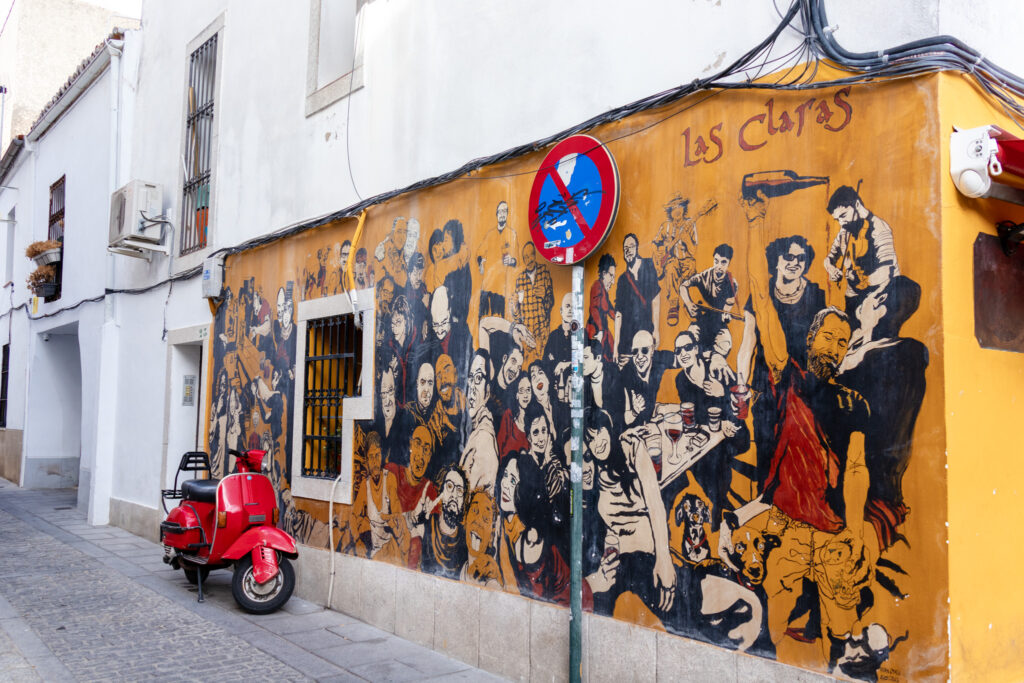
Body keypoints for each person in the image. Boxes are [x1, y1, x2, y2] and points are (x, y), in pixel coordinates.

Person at [736, 235, 826, 487]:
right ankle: (765, 505)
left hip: (803, 389)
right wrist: (741, 387)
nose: (795, 262)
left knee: (799, 455)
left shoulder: (816, 295)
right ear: (775, 260)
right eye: (789, 256)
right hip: (766, 387)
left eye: (801, 258)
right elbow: (746, 348)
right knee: (766, 447)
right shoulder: (759, 296)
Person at [586, 409, 676, 620]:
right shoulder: (592, 470)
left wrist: (664, 559)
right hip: (618, 565)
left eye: (600, 432)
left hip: (647, 556)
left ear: (609, 429)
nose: (598, 442)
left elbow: (655, 504)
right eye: (590, 439)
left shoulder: (632, 448)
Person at [823, 186, 900, 320]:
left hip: (880, 295)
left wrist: (862, 280)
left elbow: (886, 271)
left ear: (857, 204)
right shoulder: (845, 231)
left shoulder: (879, 229)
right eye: (837, 220)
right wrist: (831, 269)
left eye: (843, 216)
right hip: (853, 296)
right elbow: (829, 258)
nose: (841, 223)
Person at [347, 432, 410, 564]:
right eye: (371, 457)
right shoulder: (365, 485)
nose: (375, 461)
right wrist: (358, 540)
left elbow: (397, 513)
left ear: (382, 456)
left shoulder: (389, 479)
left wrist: (390, 519)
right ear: (367, 461)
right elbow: (353, 515)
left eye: (377, 455)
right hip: (373, 549)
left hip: (389, 547)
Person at [385, 425, 438, 570]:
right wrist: (412, 517)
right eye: (418, 444)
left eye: (426, 449)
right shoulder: (392, 473)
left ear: (429, 457)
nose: (421, 454)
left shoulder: (430, 491)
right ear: (410, 445)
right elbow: (381, 518)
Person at [680, 243, 738, 353]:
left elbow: (727, 306)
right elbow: (683, 286)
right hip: (699, 321)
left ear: (729, 263)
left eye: (723, 262)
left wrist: (725, 315)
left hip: (717, 325)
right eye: (716, 261)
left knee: (725, 344)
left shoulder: (732, 284)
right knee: (688, 344)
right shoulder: (704, 276)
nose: (718, 266)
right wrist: (688, 303)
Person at [417, 465, 469, 579]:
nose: (454, 495)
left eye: (459, 490)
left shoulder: (466, 539)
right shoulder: (426, 526)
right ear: (441, 491)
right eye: (449, 486)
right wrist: (418, 517)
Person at [614, 233, 661, 361]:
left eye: (631, 246)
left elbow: (655, 297)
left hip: (645, 331)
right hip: (627, 338)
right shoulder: (622, 279)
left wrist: (656, 329)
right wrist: (615, 345)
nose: (628, 251)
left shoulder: (648, 265)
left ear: (637, 248)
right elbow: (618, 313)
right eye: (625, 249)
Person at [460, 351, 500, 494]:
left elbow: (466, 498)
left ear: (487, 391)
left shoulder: (484, 437)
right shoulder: (476, 430)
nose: (471, 387)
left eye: (478, 378)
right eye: (470, 378)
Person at [512, 242, 555, 367]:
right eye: (525, 257)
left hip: (543, 331)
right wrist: (514, 307)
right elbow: (517, 317)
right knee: (527, 367)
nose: (528, 260)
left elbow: (550, 303)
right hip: (528, 334)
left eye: (530, 256)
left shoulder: (544, 272)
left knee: (544, 366)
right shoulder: (520, 280)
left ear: (535, 256)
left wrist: (545, 297)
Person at [476, 200, 518, 318]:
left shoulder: (512, 234)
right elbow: (479, 254)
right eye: (500, 211)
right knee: (483, 320)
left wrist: (512, 261)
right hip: (487, 286)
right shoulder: (490, 235)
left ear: (507, 214)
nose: (502, 214)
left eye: (504, 211)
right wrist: (481, 262)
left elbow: (517, 260)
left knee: (498, 323)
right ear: (496, 214)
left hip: (501, 289)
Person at [587, 253, 617, 362]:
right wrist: (599, 330)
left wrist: (619, 317)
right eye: (611, 276)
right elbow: (593, 308)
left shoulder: (604, 291)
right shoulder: (597, 286)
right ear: (604, 274)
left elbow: (609, 309)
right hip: (595, 330)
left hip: (603, 330)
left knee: (612, 351)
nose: (613, 281)